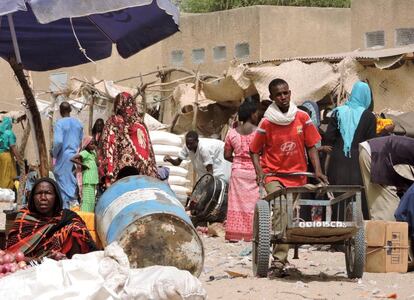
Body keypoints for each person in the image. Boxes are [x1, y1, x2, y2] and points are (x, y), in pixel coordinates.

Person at [250, 78, 326, 276]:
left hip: (298, 175)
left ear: (290, 93)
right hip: (274, 175)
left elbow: (311, 145)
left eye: (285, 93)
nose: (283, 97)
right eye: (278, 94)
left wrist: (317, 171)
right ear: (272, 97)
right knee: (281, 207)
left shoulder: (302, 117)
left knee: (288, 215)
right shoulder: (266, 122)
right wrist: (259, 172)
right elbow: (254, 150)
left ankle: (282, 246)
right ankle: (278, 261)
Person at [6, 177, 97, 259]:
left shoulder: (66, 217)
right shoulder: (24, 217)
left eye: (48, 193)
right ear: (32, 197)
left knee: (76, 228)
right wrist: (44, 259)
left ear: (56, 197)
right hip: (29, 264)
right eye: (39, 193)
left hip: (63, 261)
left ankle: (74, 267)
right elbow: (13, 253)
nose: (43, 197)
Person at [323, 81, 376, 219]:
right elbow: (371, 141)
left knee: (337, 195)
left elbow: (329, 137)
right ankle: (358, 232)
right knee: (358, 195)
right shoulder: (369, 116)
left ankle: (335, 230)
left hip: (337, 160)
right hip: (358, 160)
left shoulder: (338, 112)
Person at [99, 92, 159, 186]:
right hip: (143, 177)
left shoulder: (114, 121)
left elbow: (107, 147)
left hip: (120, 177)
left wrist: (108, 176)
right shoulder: (141, 124)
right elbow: (149, 152)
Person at [223, 99, 260, 242]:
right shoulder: (259, 133)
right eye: (256, 113)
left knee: (236, 203)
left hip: (237, 172)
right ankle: (253, 233)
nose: (258, 115)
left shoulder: (231, 133)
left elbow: (226, 155)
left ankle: (235, 234)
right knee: (254, 204)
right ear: (251, 114)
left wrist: (238, 161)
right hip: (254, 172)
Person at [359, 135, 414, 221]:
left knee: (384, 209)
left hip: (372, 149)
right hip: (379, 156)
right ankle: (383, 233)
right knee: (388, 214)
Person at [164, 131, 231, 183]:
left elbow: (210, 170)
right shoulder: (186, 147)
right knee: (204, 179)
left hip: (220, 153)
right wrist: (170, 160)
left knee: (220, 179)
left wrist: (209, 182)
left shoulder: (203, 148)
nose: (189, 146)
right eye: (187, 143)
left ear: (197, 141)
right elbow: (178, 162)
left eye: (191, 144)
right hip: (211, 157)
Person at [52, 102, 83, 209]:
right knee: (72, 183)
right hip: (75, 156)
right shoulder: (79, 124)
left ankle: (66, 211)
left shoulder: (60, 123)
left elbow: (58, 142)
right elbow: (80, 142)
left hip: (63, 157)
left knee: (64, 186)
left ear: (60, 111)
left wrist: (54, 153)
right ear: (70, 110)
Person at [71, 136, 99, 212]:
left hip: (93, 179)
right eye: (91, 144)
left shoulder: (93, 153)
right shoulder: (85, 153)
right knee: (87, 200)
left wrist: (97, 152)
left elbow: (98, 164)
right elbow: (72, 158)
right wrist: (83, 165)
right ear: (86, 144)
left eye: (94, 144)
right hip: (88, 179)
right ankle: (85, 216)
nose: (93, 146)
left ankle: (89, 216)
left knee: (92, 201)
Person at [0, 117, 22, 189]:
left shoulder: (1, 133)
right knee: (7, 175)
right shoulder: (9, 133)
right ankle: (5, 192)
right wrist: (19, 159)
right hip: (6, 156)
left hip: (1, 155)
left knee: (1, 174)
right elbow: (13, 147)